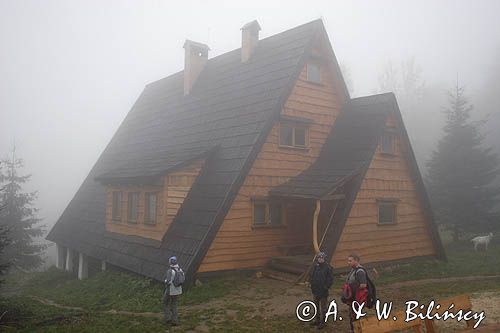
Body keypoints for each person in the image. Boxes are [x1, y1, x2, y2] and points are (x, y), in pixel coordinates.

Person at [309, 251, 334, 330]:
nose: (320, 259)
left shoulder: (328, 267)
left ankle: (323, 322)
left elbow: (330, 279)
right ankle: (317, 320)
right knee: (316, 306)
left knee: (323, 308)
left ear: (324, 259)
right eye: (319, 257)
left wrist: (326, 287)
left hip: (323, 292)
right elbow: (312, 276)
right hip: (315, 290)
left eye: (322, 258)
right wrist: (311, 284)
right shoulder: (315, 266)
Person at [345, 253, 367, 332]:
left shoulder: (360, 271)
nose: (348, 262)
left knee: (356, 316)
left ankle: (357, 331)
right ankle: (353, 330)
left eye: (350, 261)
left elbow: (363, 285)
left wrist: (352, 289)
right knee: (352, 315)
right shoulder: (353, 270)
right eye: (348, 261)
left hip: (357, 299)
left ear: (356, 261)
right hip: (353, 298)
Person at [163, 256, 183, 325]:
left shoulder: (170, 271)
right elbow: (183, 279)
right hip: (178, 290)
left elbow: (168, 281)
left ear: (170, 262)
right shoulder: (180, 270)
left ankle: (167, 318)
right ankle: (175, 321)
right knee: (174, 305)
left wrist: (165, 281)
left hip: (170, 290)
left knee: (165, 302)